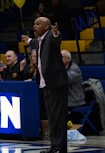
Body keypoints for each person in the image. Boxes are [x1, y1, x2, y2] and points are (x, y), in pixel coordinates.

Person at [21, 17, 68, 153]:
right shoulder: (40, 40)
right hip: (46, 83)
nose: (34, 26)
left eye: (38, 24)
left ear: (47, 27)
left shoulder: (50, 37)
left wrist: (55, 33)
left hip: (56, 84)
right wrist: (29, 40)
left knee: (58, 117)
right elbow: (36, 42)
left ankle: (60, 148)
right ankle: (54, 147)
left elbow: (56, 40)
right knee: (52, 117)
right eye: (34, 23)